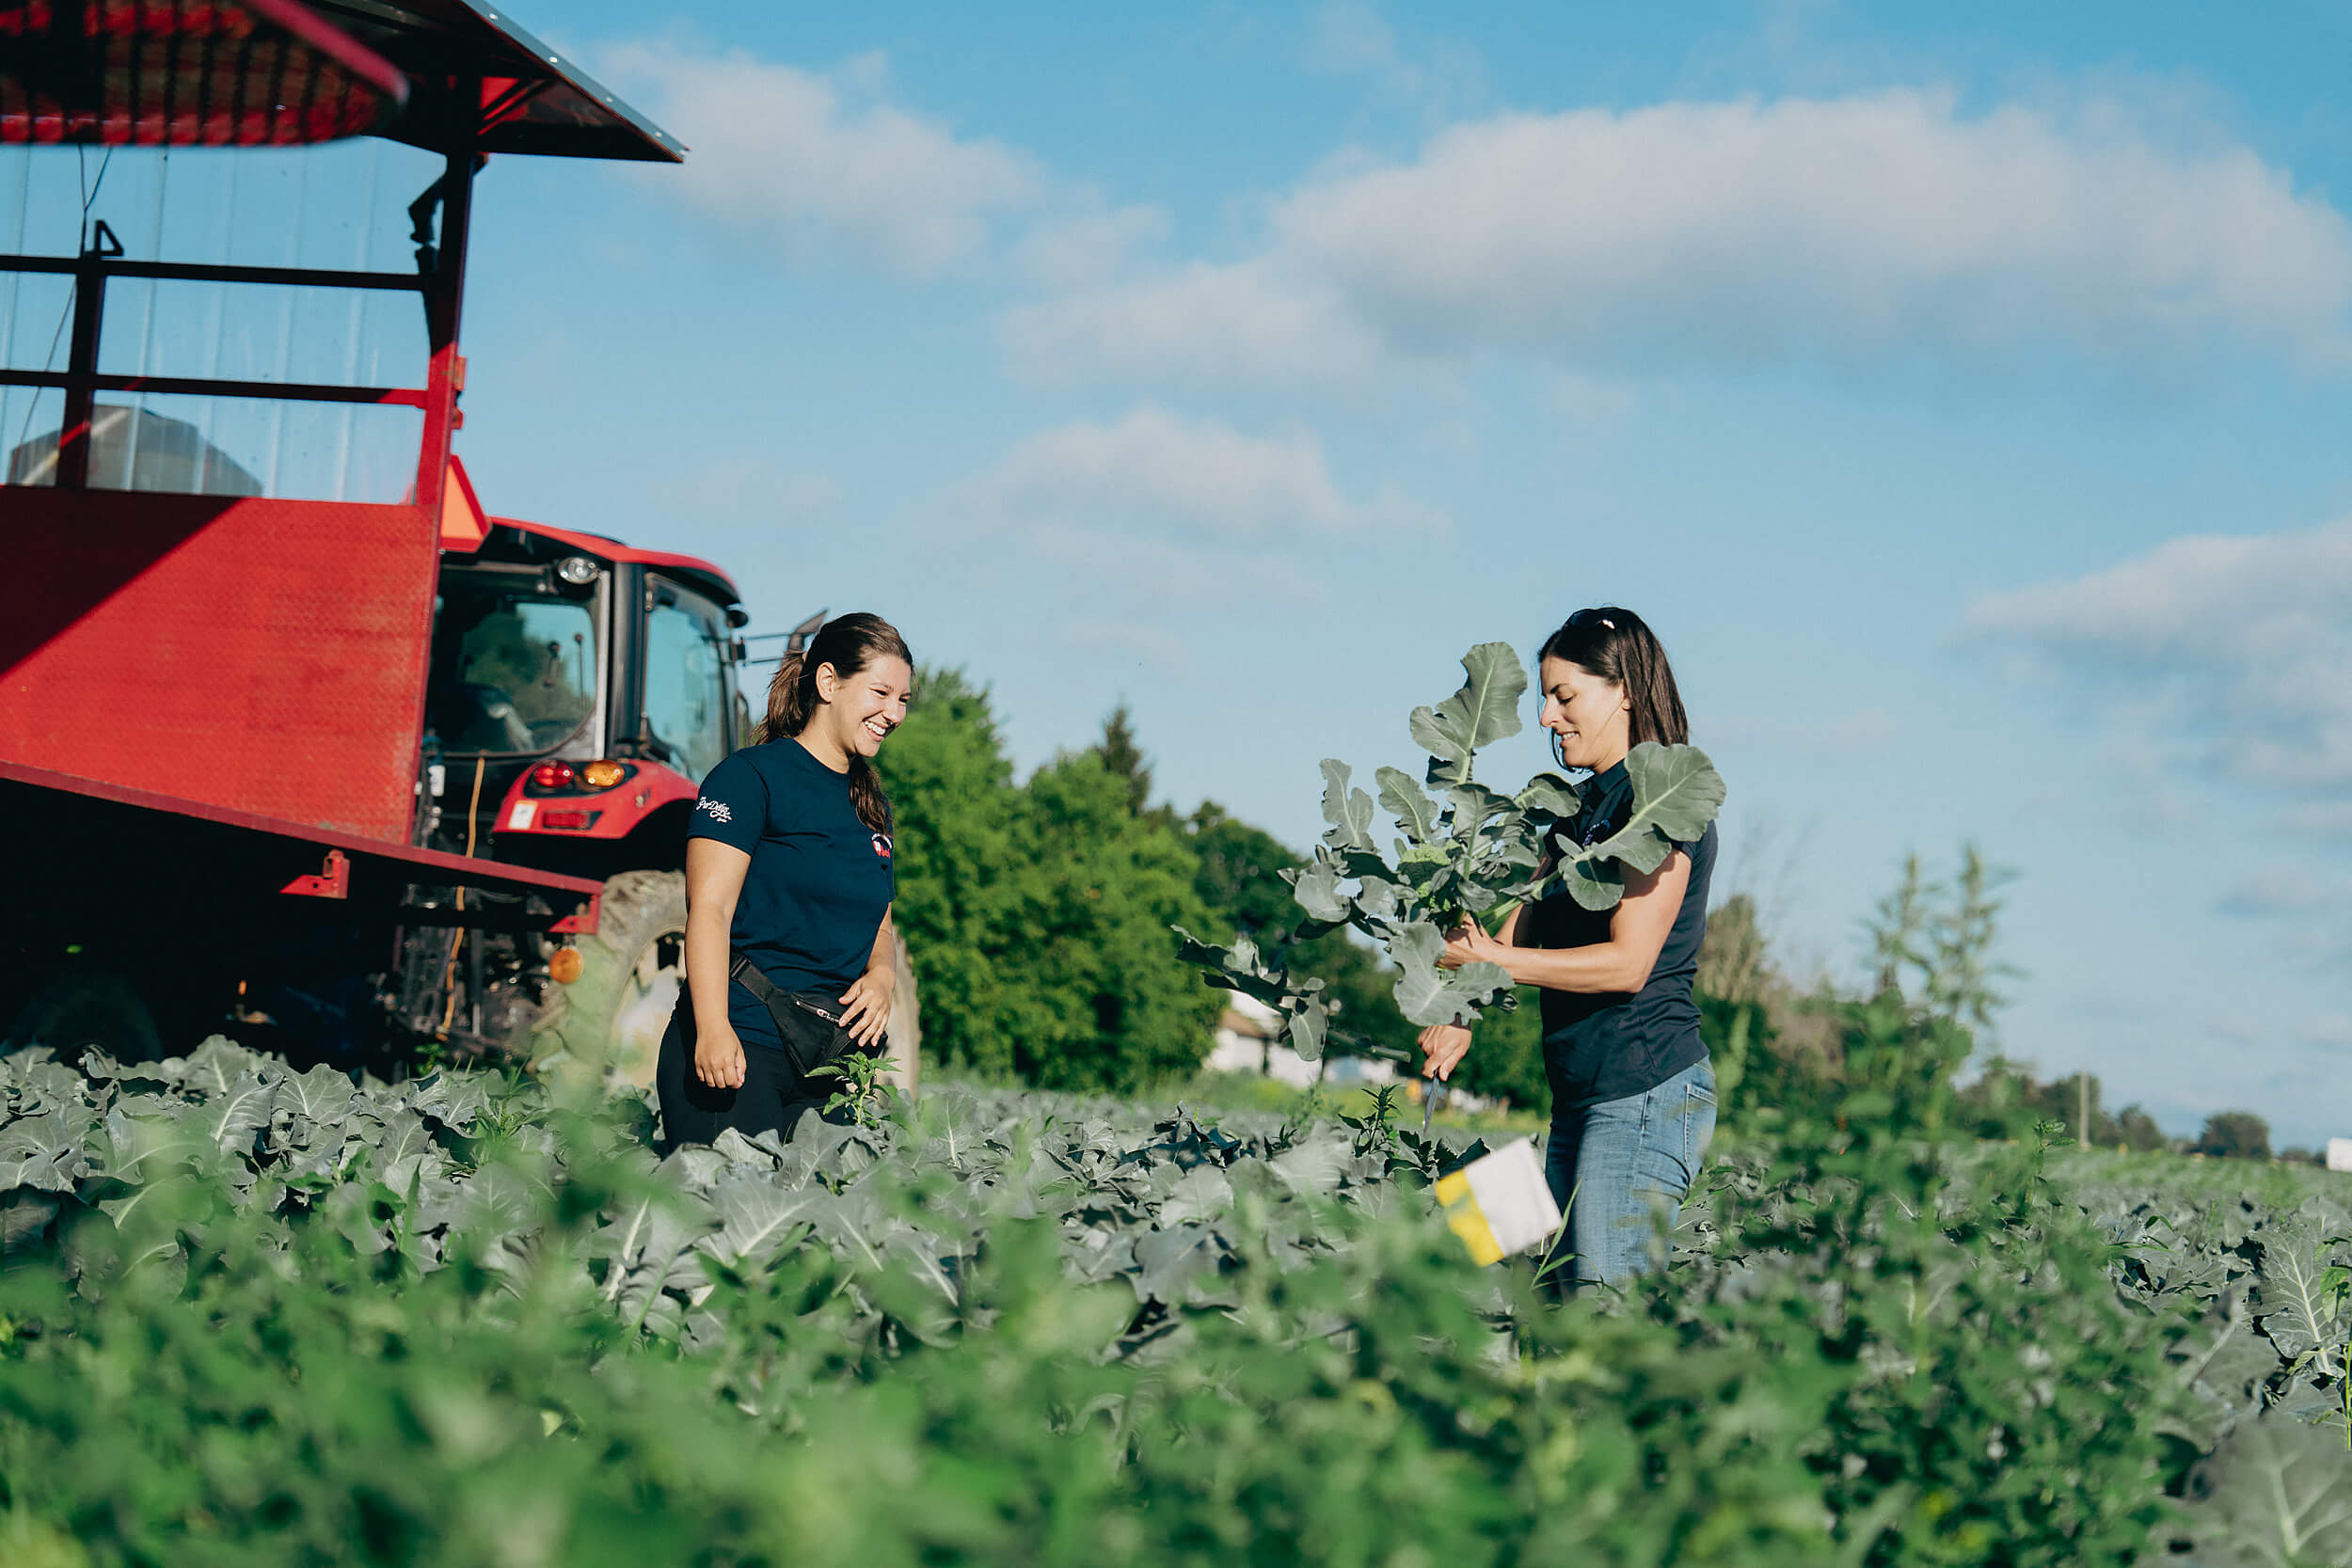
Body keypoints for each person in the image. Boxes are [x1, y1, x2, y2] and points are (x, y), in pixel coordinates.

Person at [1419, 607, 1717, 1287]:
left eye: (1564, 697)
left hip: (1645, 1094)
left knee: (1601, 1321)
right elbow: (1510, 939)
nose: (1548, 718)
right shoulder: (1572, 810)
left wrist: (1490, 962)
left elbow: (1627, 963)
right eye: (1543, 700)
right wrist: (1459, 1009)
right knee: (1496, 1267)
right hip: (1579, 1100)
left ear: (1625, 691)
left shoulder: (1665, 801)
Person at [653, 612, 913, 1149]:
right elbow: (709, 911)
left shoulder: (873, 807)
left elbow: (878, 925)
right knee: (722, 1221)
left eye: (903, 699)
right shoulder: (748, 778)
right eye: (881, 692)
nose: (894, 713)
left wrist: (883, 977)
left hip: (833, 1066)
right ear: (827, 682)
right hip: (741, 1045)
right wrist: (712, 1027)